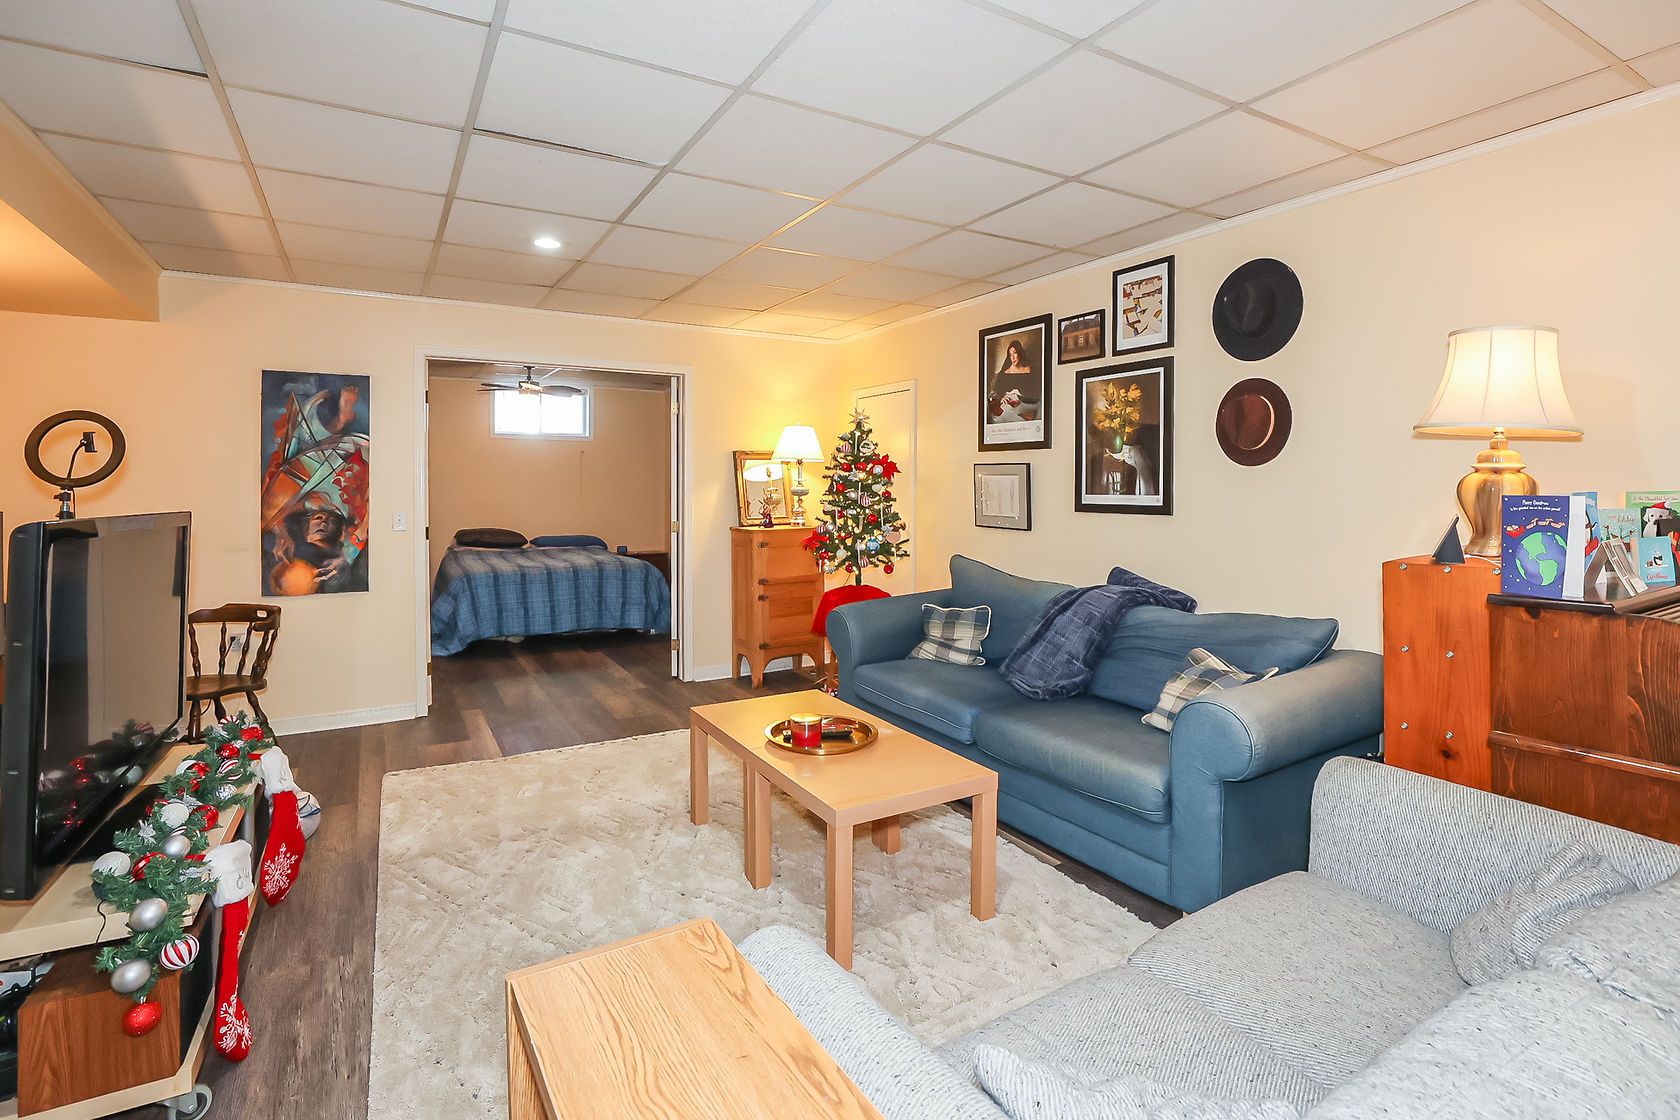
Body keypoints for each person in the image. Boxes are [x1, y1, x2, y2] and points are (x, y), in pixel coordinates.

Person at [987, 339, 1039, 423]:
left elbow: (1036, 391)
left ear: (1020, 353)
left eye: (1015, 353)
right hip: (1010, 404)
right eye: (1010, 354)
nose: (1013, 357)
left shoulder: (1031, 369)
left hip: (1028, 403)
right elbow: (997, 389)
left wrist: (1018, 392)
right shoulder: (1006, 372)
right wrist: (1002, 397)